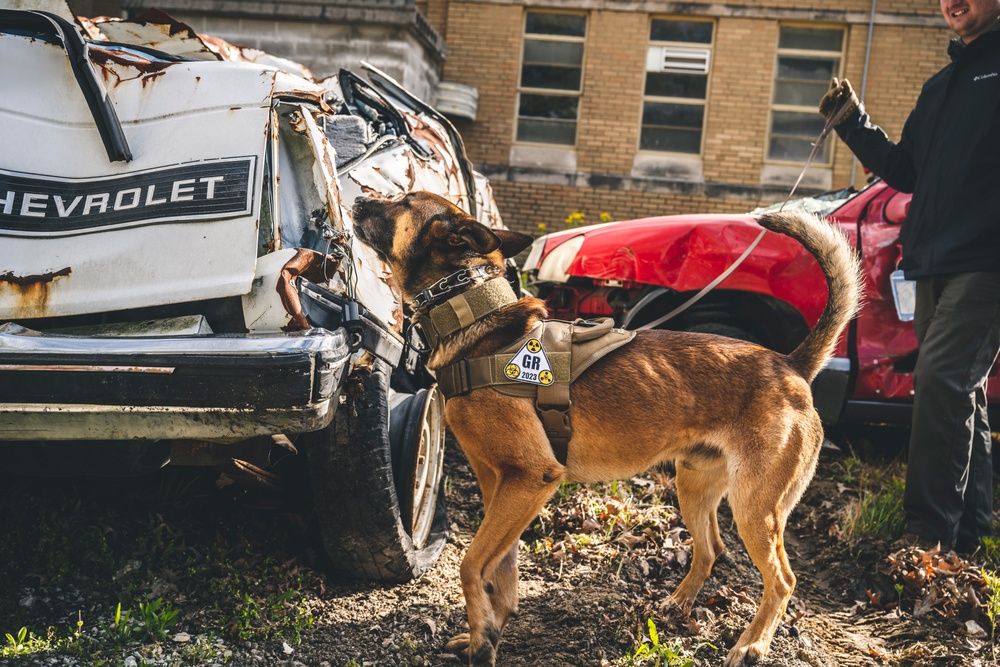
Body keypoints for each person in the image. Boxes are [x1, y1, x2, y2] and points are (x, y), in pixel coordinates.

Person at [818, 0, 1000, 553]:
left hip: (986, 261)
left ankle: (927, 537)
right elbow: (906, 171)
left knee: (943, 380)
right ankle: (972, 530)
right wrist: (851, 121)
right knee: (959, 391)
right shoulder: (941, 85)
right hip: (931, 259)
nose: (954, 2)